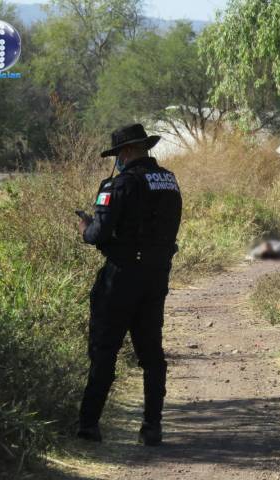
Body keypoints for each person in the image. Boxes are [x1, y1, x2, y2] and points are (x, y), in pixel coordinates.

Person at [76, 124, 182, 446]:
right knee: (151, 354)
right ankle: (152, 427)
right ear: (144, 148)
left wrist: (85, 227)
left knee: (104, 350)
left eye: (118, 154)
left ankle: (88, 426)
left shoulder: (116, 185)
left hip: (121, 278)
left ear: (124, 153)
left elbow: (98, 235)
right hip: (156, 277)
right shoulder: (170, 181)